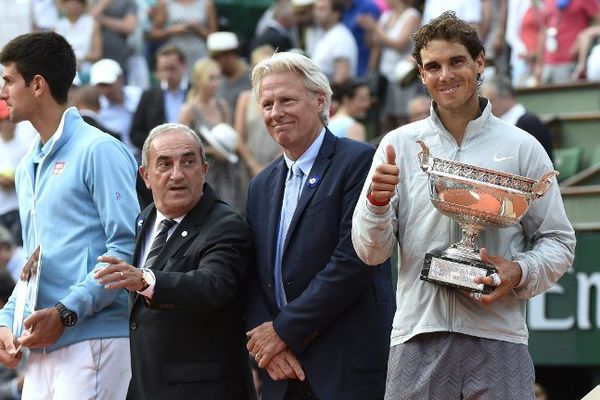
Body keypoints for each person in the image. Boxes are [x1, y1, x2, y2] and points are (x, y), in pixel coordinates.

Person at [351, 12, 576, 399]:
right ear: (421, 75)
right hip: (417, 335)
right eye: (433, 66)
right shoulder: (397, 145)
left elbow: (559, 241)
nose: (445, 75)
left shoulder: (522, 147)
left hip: (499, 337)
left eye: (456, 61)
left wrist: (518, 272)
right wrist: (375, 204)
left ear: (479, 62)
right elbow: (371, 253)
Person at [245, 51, 394, 400]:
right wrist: (266, 345)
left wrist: (283, 331)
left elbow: (352, 260)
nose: (275, 112)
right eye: (266, 104)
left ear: (320, 101)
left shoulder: (358, 161)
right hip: (281, 370)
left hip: (345, 366)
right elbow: (251, 274)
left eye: (287, 100)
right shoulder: (260, 185)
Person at [0, 32, 139, 399]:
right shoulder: (27, 165)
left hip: (95, 341)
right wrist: (6, 320)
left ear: (38, 85)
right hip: (43, 346)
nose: (2, 91)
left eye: (8, 80)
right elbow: (33, 264)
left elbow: (126, 249)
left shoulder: (100, 150)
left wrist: (65, 313)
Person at [94, 123, 256, 399]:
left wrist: (147, 280)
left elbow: (211, 286)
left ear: (204, 170)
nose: (177, 174)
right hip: (147, 386)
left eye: (188, 162)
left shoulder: (226, 225)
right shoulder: (146, 218)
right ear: (146, 175)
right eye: (165, 164)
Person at [481, 74, 554, 160]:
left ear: (507, 97)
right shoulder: (491, 124)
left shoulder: (530, 122)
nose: (488, 107)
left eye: (492, 101)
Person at [90, 57, 142, 158]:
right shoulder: (97, 108)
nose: (106, 90)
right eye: (101, 86)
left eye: (109, 84)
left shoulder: (139, 95)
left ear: (120, 79)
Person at [307, 0, 358, 84]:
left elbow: (342, 77)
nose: (315, 13)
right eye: (315, 9)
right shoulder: (326, 34)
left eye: (322, 9)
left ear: (336, 14)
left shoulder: (340, 37)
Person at [0, 100, 28, 247]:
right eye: (5, 120)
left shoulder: (25, 148)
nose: (9, 124)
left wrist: (13, 180)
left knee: (18, 249)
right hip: (1, 208)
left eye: (10, 120)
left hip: (18, 208)